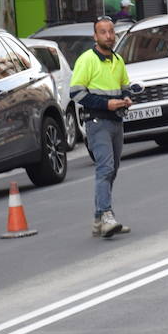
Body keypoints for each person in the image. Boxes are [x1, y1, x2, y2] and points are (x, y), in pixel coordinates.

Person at [70, 16, 133, 239]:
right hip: (97, 122)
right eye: (103, 32)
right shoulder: (87, 60)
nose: (108, 36)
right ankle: (107, 216)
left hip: (116, 121)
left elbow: (125, 86)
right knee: (105, 168)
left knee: (112, 170)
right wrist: (106, 104)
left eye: (111, 31)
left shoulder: (117, 60)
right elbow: (76, 93)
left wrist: (126, 98)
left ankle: (99, 219)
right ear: (95, 37)